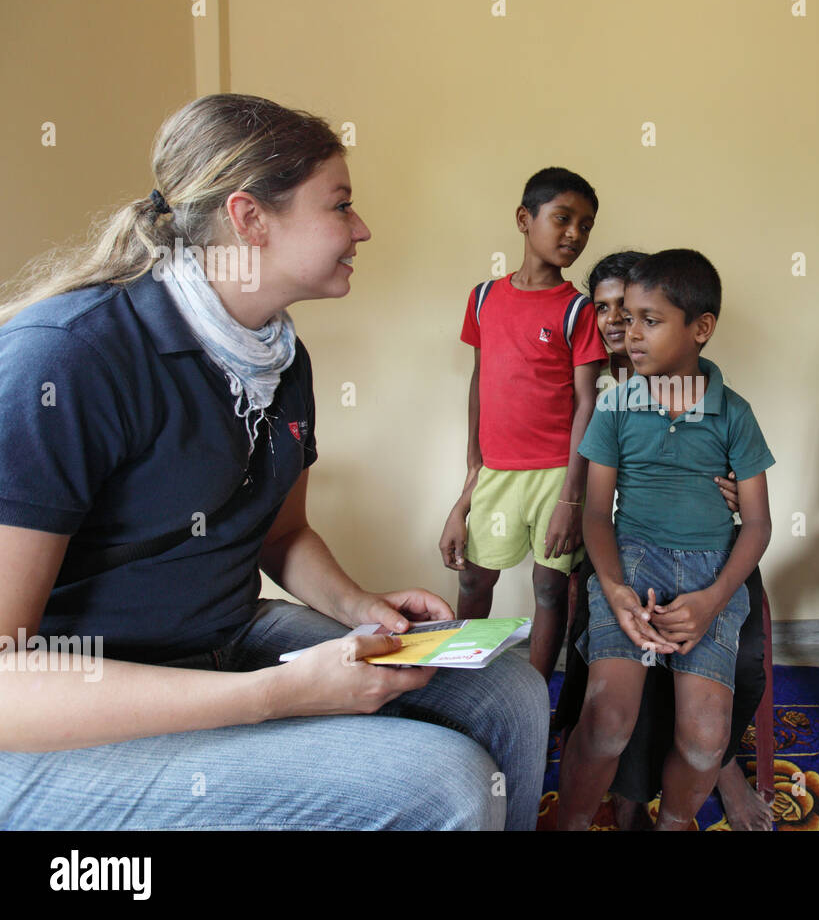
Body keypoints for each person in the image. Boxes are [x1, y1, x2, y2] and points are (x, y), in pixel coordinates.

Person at [0, 93, 548, 831]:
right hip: (64, 724)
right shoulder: (67, 358)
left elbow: (281, 536)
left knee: (507, 690)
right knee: (441, 783)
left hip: (221, 637)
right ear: (250, 218)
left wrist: (362, 610)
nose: (362, 228)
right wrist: (277, 695)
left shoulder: (283, 361)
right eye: (341, 205)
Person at [553, 251, 775, 830]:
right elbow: (597, 515)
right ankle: (572, 820)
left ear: (700, 328)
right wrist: (615, 587)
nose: (630, 333)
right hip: (631, 561)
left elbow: (757, 523)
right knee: (606, 721)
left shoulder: (735, 412)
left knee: (704, 740)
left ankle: (675, 821)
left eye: (649, 321)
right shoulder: (617, 403)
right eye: (626, 319)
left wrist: (713, 600)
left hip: (710, 574)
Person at [438, 168, 606, 680]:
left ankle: (535, 690)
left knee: (550, 589)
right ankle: (459, 683)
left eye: (586, 225)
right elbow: (478, 382)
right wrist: (470, 481)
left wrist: (571, 499)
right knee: (472, 583)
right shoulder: (484, 298)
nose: (574, 234)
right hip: (497, 473)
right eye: (563, 219)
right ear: (523, 219)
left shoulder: (578, 310)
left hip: (558, 473)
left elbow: (586, 406)